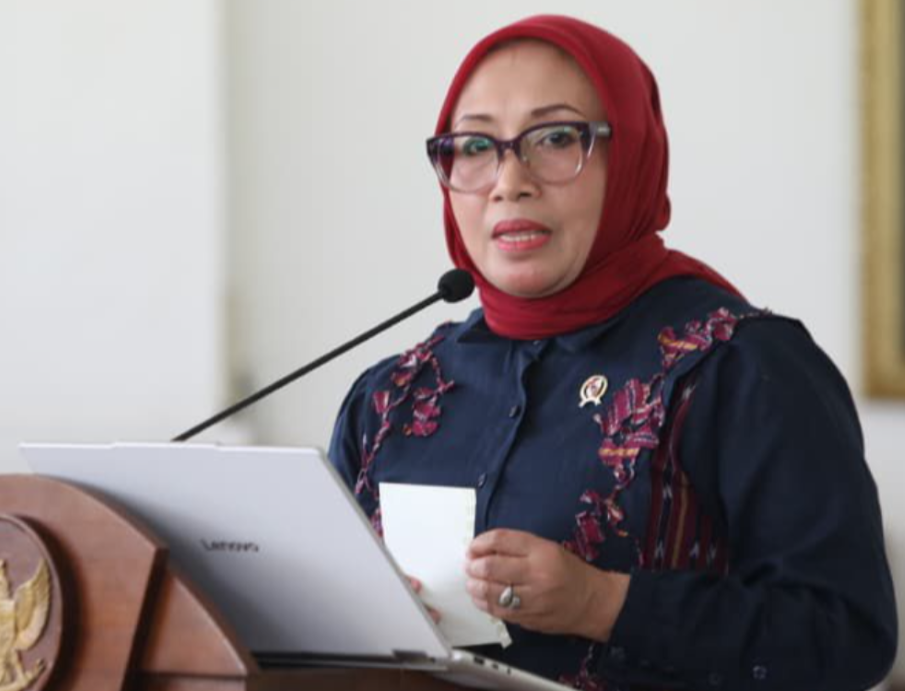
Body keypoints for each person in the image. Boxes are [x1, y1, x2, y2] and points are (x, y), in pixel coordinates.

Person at [329, 14, 897, 690]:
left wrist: (604, 604)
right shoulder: (392, 396)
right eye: (476, 145)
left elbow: (847, 637)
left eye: (555, 138)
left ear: (630, 156)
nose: (510, 180)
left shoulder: (740, 368)